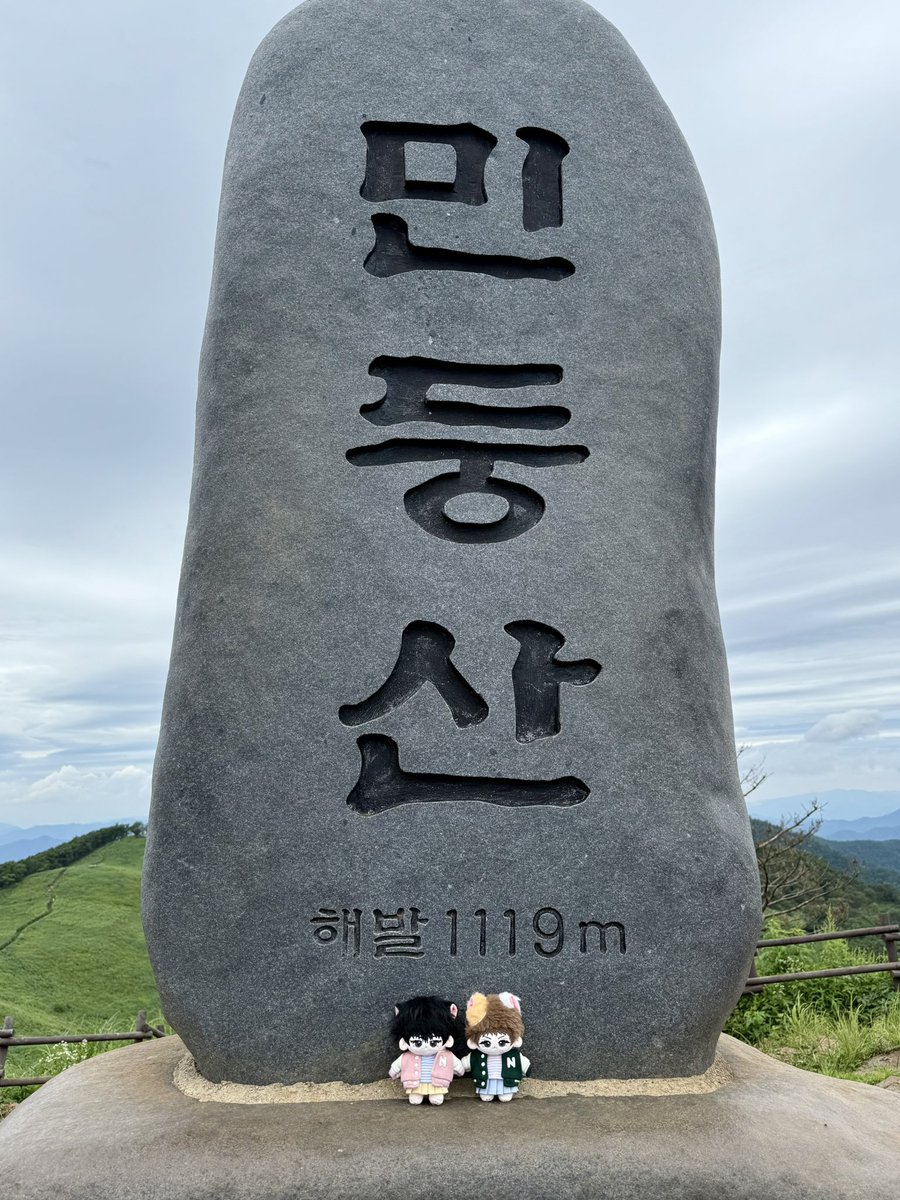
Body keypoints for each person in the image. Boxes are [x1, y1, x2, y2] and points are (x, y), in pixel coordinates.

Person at [388, 995, 465, 1105]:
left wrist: (460, 1069)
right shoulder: (406, 1057)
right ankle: (417, 1095)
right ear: (404, 1042)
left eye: (433, 1042)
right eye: (417, 1043)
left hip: (438, 1084)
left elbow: (456, 1064)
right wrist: (393, 1072)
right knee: (415, 1098)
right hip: (414, 1084)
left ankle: (435, 1096)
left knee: (436, 1098)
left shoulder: (446, 1056)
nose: (425, 1046)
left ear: (448, 1040)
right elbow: (398, 1064)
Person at [460, 991, 530, 1102]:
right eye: (486, 1043)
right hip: (485, 1083)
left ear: (515, 1040)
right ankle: (488, 1094)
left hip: (507, 1082)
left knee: (505, 1096)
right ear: (473, 1042)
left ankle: (505, 1093)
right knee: (486, 1094)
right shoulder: (476, 1056)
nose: (494, 1046)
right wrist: (461, 1066)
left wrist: (527, 1067)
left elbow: (523, 1062)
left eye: (502, 1042)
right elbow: (466, 1063)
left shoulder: (513, 1055)